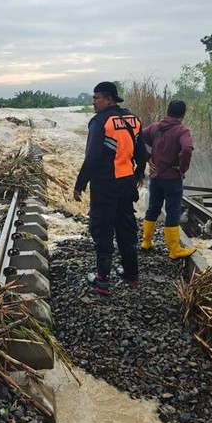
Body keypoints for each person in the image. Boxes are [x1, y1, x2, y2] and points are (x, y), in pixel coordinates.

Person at [74, 82, 147, 294]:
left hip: (105, 185)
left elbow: (93, 156)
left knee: (102, 227)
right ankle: (132, 274)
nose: (93, 102)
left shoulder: (99, 122)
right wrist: (139, 172)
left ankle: (102, 280)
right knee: (126, 226)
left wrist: (80, 184)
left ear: (108, 99)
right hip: (126, 184)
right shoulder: (133, 119)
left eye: (96, 98)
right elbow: (141, 151)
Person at [139, 99, 195, 259]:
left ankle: (146, 242)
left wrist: (147, 157)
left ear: (167, 111)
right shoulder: (182, 131)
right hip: (172, 179)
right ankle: (174, 249)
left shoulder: (156, 127)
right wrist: (182, 168)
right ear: (183, 115)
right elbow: (186, 149)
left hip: (155, 178)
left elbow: (137, 138)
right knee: (172, 211)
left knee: (153, 208)